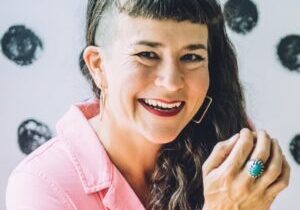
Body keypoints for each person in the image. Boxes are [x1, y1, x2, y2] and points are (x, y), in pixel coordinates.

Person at [6, 0, 290, 209]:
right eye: (147, 54)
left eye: (191, 57)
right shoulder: (40, 185)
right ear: (98, 66)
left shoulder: (224, 140)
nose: (171, 83)